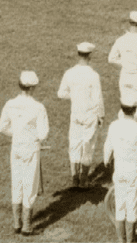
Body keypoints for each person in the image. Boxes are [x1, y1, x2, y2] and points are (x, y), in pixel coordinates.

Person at [0, 71, 50, 236]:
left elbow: (2, 128)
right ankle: (27, 226)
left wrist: (18, 134)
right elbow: (43, 134)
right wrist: (31, 137)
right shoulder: (38, 107)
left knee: (17, 182)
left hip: (17, 146)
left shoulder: (10, 104)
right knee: (30, 185)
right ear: (33, 87)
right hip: (31, 148)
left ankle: (16, 223)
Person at [57, 42, 105, 189]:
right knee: (88, 147)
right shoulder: (93, 75)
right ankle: (83, 181)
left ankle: (75, 179)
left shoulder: (70, 73)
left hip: (76, 114)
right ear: (89, 55)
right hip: (89, 115)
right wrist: (101, 115)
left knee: (74, 144)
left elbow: (61, 93)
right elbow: (98, 98)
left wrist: (75, 95)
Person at [104, 99, 137, 243]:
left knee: (120, 204)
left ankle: (120, 239)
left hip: (120, 169)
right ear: (135, 110)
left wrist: (106, 160)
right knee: (132, 205)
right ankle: (130, 240)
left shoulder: (114, 126)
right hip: (133, 170)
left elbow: (108, 146)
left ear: (122, 109)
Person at [108, 11, 137, 125]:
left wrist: (124, 63)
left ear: (129, 23)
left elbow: (111, 58)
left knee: (125, 106)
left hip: (125, 77)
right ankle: (136, 136)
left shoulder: (121, 40)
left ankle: (123, 134)